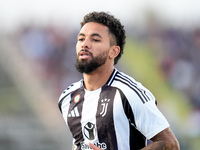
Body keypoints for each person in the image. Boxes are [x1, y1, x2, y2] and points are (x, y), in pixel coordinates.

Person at [58, 11, 180, 150]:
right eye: (81, 39)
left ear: (113, 52)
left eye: (95, 40)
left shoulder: (129, 93)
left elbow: (171, 144)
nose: (85, 44)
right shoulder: (67, 97)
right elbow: (79, 142)